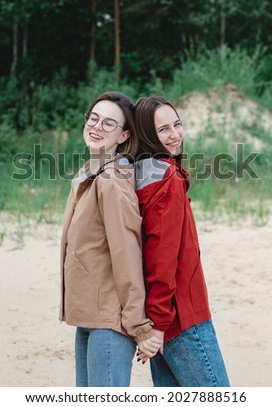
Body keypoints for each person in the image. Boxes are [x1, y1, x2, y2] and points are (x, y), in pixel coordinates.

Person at [59, 92, 161, 387]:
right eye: (93, 118)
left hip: (110, 321)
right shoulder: (89, 173)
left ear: (124, 135)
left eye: (108, 123)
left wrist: (140, 328)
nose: (96, 126)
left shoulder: (112, 180)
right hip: (89, 316)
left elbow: (127, 254)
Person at [134, 95, 230, 387]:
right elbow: (162, 257)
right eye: (163, 130)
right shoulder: (167, 180)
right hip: (182, 317)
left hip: (157, 316)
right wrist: (160, 323)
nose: (175, 134)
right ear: (148, 135)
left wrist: (154, 322)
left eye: (177, 124)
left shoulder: (138, 175)